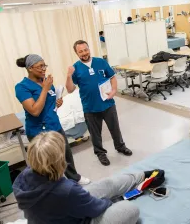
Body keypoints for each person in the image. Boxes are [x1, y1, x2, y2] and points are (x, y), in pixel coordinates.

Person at [13, 131, 154, 224]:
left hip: (59, 210)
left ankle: (141, 176)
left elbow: (74, 197)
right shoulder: (66, 190)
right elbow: (94, 209)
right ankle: (137, 181)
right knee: (130, 209)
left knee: (106, 184)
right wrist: (111, 201)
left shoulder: (22, 177)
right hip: (75, 215)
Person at [15, 54, 90, 185]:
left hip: (55, 125)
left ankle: (74, 177)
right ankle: (52, 186)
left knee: (66, 154)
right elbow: (34, 110)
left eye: (45, 65)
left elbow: (48, 102)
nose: (44, 69)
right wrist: (45, 88)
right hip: (39, 131)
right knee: (46, 163)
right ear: (30, 68)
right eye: (40, 66)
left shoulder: (46, 81)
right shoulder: (22, 87)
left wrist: (56, 103)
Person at [66, 40, 132, 166]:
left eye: (86, 49)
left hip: (108, 104)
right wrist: (69, 76)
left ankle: (120, 146)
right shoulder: (76, 68)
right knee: (95, 134)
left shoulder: (100, 62)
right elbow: (70, 89)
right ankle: (101, 154)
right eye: (81, 51)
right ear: (76, 53)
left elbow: (112, 76)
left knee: (115, 129)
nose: (84, 53)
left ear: (89, 49)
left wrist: (113, 91)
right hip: (90, 107)